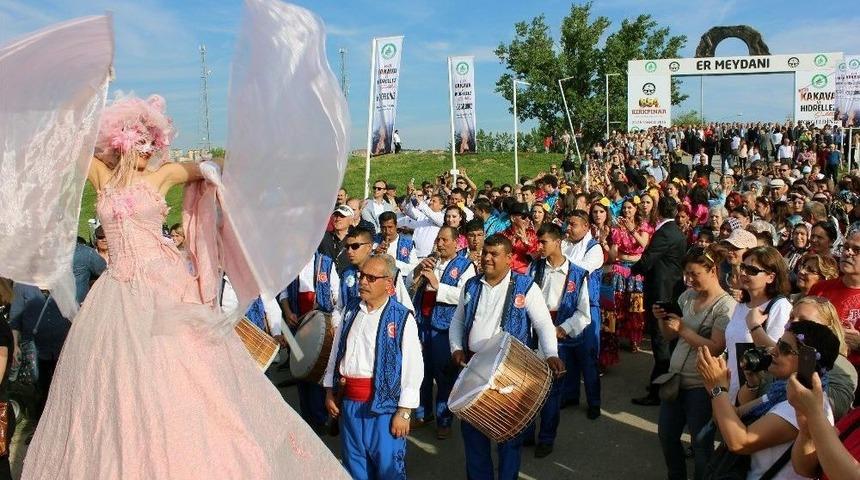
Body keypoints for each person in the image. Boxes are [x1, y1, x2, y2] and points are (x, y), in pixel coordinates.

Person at [21, 95, 348, 478]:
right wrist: (89, 97)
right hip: (117, 294)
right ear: (119, 143)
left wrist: (230, 170)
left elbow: (211, 169)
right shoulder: (101, 178)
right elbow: (67, 145)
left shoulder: (161, 176)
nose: (148, 152)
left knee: (187, 374)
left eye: (152, 143)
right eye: (139, 143)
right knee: (120, 382)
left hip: (163, 283)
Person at [449, 235, 564, 480]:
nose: (487, 258)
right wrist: (456, 347)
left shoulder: (526, 286)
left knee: (509, 437)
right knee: (473, 435)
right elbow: (458, 320)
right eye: (485, 253)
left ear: (509, 258)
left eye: (494, 254)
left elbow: (543, 324)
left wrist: (551, 353)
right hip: (474, 368)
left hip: (510, 371)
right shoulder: (471, 285)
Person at [697, 320, 841, 479]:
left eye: (785, 349)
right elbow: (734, 415)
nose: (774, 350)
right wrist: (748, 385)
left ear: (808, 361)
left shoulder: (800, 407)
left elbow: (740, 442)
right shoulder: (780, 392)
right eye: (778, 343)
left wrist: (717, 388)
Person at [323, 255, 423, 479]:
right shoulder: (350, 310)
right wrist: (330, 391)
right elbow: (337, 352)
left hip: (384, 409)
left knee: (388, 469)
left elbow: (413, 367)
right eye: (361, 276)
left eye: (371, 277)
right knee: (354, 465)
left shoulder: (401, 318)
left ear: (388, 283)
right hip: (350, 404)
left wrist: (405, 411)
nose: (362, 281)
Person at [654, 246, 737, 480]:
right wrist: (663, 320)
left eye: (694, 274)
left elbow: (716, 347)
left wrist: (682, 328)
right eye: (686, 274)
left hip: (702, 386)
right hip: (675, 379)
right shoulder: (687, 296)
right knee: (667, 436)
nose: (689, 280)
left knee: (701, 446)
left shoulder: (725, 306)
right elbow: (670, 336)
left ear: (712, 271)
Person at [525, 224, 596, 457]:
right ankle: (526, 432)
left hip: (559, 335)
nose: (539, 246)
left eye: (544, 242)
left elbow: (583, 313)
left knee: (552, 392)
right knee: (528, 386)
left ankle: (546, 437)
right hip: (534, 333)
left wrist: (562, 329)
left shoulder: (576, 273)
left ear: (558, 242)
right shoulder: (534, 268)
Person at [410, 226, 475, 437]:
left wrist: (439, 287)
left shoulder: (466, 266)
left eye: (445, 240)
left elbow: (467, 297)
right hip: (422, 322)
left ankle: (444, 419)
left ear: (457, 242)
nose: (440, 243)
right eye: (438, 239)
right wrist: (419, 270)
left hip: (445, 327)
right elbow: (409, 284)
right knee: (422, 371)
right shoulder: (430, 260)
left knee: (444, 373)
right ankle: (422, 412)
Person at [276, 251, 341, 432]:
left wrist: (332, 319)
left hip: (319, 326)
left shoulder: (327, 263)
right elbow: (283, 293)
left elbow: (337, 295)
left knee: (318, 370)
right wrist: (288, 312)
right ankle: (307, 417)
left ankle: (320, 418)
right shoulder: (289, 262)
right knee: (300, 370)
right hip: (296, 325)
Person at [631, 197, 687, 406]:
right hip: (670, 289)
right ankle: (659, 382)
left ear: (658, 212)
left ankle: (658, 390)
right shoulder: (675, 231)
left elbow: (648, 259)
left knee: (660, 341)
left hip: (662, 292)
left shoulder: (665, 233)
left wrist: (632, 270)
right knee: (664, 341)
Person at [724, 246, 793, 403]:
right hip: (732, 390)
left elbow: (778, 355)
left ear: (770, 277)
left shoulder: (780, 307)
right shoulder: (741, 305)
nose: (743, 273)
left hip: (758, 396)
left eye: (752, 270)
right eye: (743, 267)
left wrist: (754, 326)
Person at [809, 225, 860, 405]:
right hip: (813, 374)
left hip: (850, 386)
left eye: (857, 250)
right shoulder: (820, 289)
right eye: (846, 247)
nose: (848, 253)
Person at [607, 196, 654, 354]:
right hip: (620, 268)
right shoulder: (617, 228)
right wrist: (610, 243)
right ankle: (617, 337)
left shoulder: (643, 226)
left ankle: (635, 339)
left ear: (636, 209)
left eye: (630, 208)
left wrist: (631, 230)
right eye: (625, 208)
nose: (627, 210)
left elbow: (644, 244)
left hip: (637, 269)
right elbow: (614, 254)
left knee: (635, 305)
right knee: (618, 303)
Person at [374, 211, 419, 283]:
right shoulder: (374, 241)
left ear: (396, 225)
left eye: (390, 227)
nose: (387, 231)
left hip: (398, 284)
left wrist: (393, 262)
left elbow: (415, 268)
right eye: (383, 227)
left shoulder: (408, 244)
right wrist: (374, 254)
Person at [501, 202, 539, 274]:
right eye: (524, 217)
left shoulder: (532, 235)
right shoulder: (503, 235)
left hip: (524, 274)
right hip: (505, 272)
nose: (528, 220)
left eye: (529, 217)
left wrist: (526, 242)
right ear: (513, 218)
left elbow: (537, 255)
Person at [320, 204, 354, 274]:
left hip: (348, 278)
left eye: (342, 216)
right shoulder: (323, 237)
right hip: (326, 279)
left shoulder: (356, 238)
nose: (338, 219)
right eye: (336, 215)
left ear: (351, 220)